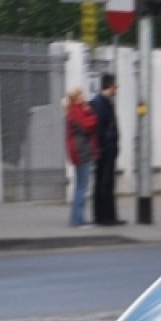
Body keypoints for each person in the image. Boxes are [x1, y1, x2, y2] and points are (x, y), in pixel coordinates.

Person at [89, 73, 124, 226]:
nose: (116, 89)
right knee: (104, 182)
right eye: (115, 86)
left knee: (107, 182)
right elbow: (100, 128)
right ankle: (104, 217)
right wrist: (102, 147)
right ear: (109, 86)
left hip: (107, 148)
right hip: (104, 150)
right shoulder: (100, 103)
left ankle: (108, 216)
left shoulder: (105, 102)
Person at [64, 87, 98, 228]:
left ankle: (76, 218)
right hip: (81, 151)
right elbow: (86, 126)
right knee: (82, 187)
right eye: (81, 94)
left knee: (80, 186)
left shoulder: (74, 110)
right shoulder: (76, 111)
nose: (84, 96)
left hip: (79, 151)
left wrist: (88, 111)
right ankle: (78, 220)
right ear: (77, 97)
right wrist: (93, 116)